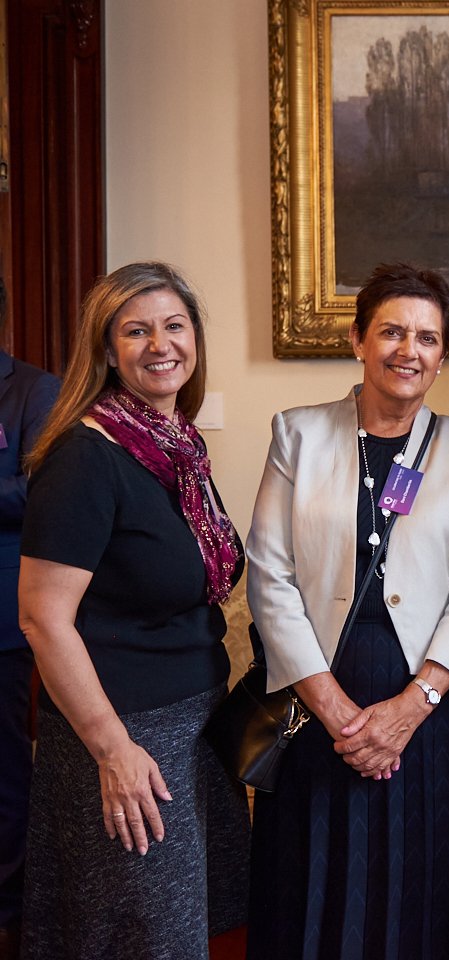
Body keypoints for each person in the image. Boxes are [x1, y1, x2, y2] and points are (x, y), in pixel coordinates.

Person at [245, 262, 449, 960]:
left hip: (425, 705)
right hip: (318, 697)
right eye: (391, 331)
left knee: (417, 892)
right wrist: (337, 713)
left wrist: (410, 707)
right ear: (359, 338)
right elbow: (269, 577)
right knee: (313, 890)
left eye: (426, 337)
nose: (408, 350)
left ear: (442, 355)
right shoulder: (297, 434)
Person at [17, 262, 248, 960]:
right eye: (136, 330)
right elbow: (42, 618)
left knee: (187, 935)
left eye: (174, 326)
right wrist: (113, 750)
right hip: (125, 741)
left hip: (196, 729)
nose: (160, 344)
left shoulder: (177, 450)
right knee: (144, 943)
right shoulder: (85, 458)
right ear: (107, 350)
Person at [0, 279, 58, 960]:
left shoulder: (34, 391)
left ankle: (9, 914)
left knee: (6, 775)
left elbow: (40, 488)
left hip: (4, 627)